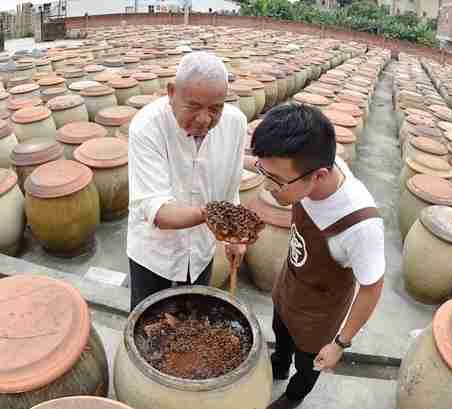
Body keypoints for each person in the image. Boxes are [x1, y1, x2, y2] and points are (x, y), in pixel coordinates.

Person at [251, 103, 385, 409]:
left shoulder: (361, 226)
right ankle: (279, 362)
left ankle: (293, 397)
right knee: (280, 331)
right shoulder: (310, 164)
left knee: (308, 364)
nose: (268, 186)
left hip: (320, 313)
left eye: (277, 181)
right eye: (264, 172)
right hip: (291, 283)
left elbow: (371, 287)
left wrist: (340, 343)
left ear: (319, 175)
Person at [127, 51, 247, 311]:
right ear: (171, 92)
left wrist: (234, 236)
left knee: (193, 322)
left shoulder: (236, 124)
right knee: (147, 327)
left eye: (216, 109)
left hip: (201, 253)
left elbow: (231, 188)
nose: (205, 119)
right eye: (193, 107)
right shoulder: (147, 126)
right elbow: (157, 211)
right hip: (153, 255)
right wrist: (213, 215)